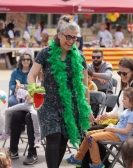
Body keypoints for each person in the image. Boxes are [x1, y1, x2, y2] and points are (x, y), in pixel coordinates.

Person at [27, 15, 93, 168]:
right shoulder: (46, 53)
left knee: (63, 139)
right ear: (59, 35)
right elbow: (32, 74)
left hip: (69, 105)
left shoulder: (79, 57)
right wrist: (33, 88)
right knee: (54, 137)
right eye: (68, 37)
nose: (71, 41)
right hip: (48, 102)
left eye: (74, 38)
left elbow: (84, 86)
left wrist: (87, 109)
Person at [79, 57, 133, 168]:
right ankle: (99, 163)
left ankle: (90, 164)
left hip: (126, 126)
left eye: (124, 73)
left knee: (91, 134)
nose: (122, 76)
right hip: (119, 121)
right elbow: (118, 107)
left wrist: (112, 117)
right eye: (119, 73)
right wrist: (106, 115)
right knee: (89, 130)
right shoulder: (125, 84)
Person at [63, 87, 133, 168]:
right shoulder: (127, 111)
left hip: (120, 136)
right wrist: (106, 116)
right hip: (115, 132)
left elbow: (126, 131)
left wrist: (111, 128)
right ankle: (78, 158)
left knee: (92, 138)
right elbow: (116, 116)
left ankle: (97, 163)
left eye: (124, 99)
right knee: (88, 134)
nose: (122, 100)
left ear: (132, 101)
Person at [0, 71, 42, 148]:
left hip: (34, 105)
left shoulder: (45, 84)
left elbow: (42, 94)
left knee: (34, 114)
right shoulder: (34, 79)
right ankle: (6, 132)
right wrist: (24, 89)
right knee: (8, 111)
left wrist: (32, 99)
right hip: (26, 104)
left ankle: (38, 137)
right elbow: (29, 87)